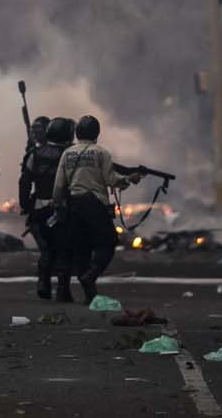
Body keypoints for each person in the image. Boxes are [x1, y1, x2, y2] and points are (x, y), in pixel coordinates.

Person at [53, 114, 140, 303]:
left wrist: (57, 206)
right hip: (95, 204)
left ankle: (89, 295)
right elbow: (111, 180)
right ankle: (90, 276)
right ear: (96, 133)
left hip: (74, 204)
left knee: (81, 247)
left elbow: (59, 185)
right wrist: (128, 179)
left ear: (77, 133)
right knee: (108, 242)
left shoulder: (67, 153)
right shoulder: (101, 153)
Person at [19, 117, 71, 300]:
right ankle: (63, 290)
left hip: (40, 208)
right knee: (64, 249)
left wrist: (25, 205)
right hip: (64, 208)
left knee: (46, 249)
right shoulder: (70, 155)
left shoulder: (35, 153)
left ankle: (43, 283)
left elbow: (25, 181)